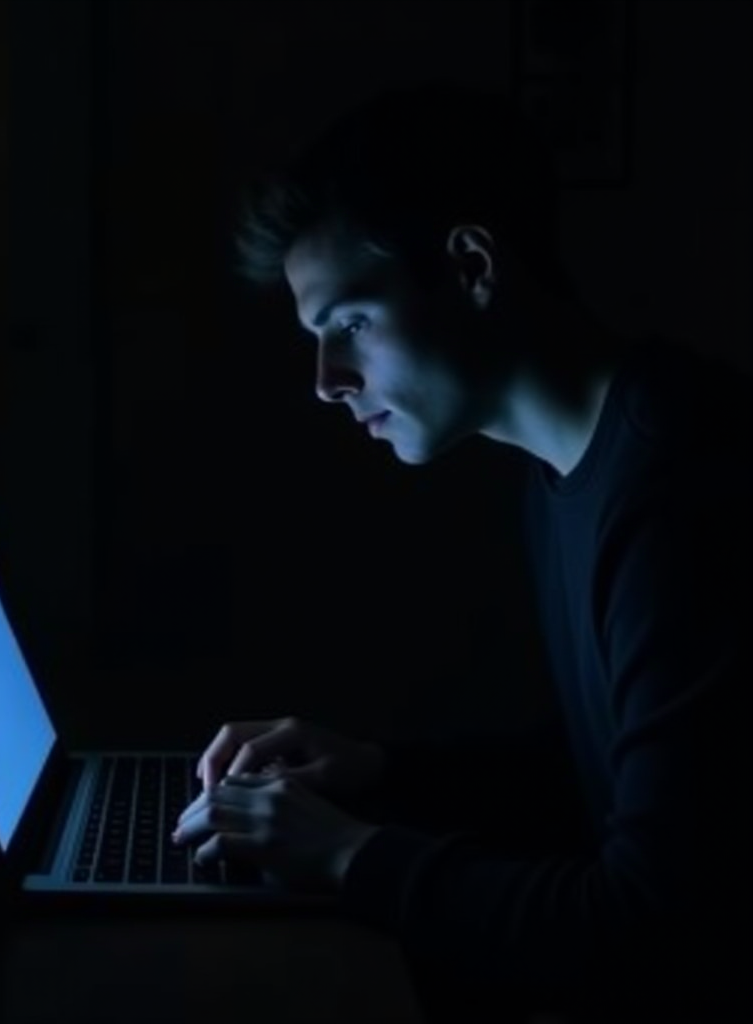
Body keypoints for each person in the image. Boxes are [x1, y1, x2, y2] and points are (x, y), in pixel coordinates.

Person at [170, 82, 752, 1023]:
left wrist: (351, 856)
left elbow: (656, 925)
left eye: (349, 324)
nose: (325, 383)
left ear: (473, 266)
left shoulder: (683, 482)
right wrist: (378, 773)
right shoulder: (566, 469)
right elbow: (607, 781)